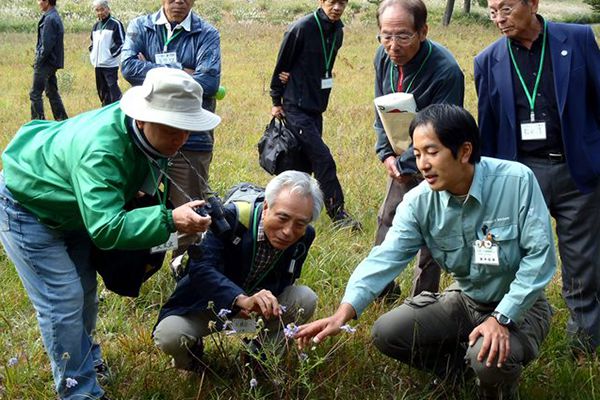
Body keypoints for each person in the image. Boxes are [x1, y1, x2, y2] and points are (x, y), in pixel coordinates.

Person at [296, 105, 556, 400]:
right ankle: (462, 375)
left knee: (487, 359)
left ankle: (496, 383)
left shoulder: (516, 181)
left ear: (465, 151)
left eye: (431, 152)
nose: (422, 164)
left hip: (521, 306)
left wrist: (501, 318)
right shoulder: (419, 202)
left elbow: (541, 259)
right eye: (417, 154)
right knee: (387, 332)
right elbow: (385, 258)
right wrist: (341, 314)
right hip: (466, 298)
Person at [0, 68, 219, 400]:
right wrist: (169, 220)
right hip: (27, 205)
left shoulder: (145, 136)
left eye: (187, 129)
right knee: (63, 298)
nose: (181, 139)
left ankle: (84, 362)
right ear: (143, 119)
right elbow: (105, 228)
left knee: (85, 293)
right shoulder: (102, 150)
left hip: (72, 208)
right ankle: (79, 391)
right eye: (172, 129)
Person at [474, 0, 600, 358]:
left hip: (578, 171)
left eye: (506, 8)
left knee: (582, 263)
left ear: (533, 3)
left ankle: (584, 347)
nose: (499, 18)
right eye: (493, 10)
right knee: (513, 255)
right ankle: (514, 333)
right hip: (523, 176)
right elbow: (490, 128)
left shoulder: (577, 40)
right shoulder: (488, 60)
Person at [153, 171, 323, 371]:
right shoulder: (229, 218)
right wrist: (239, 300)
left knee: (305, 299)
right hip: (208, 305)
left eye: (300, 223)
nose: (288, 231)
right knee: (170, 335)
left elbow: (287, 278)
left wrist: (260, 303)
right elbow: (201, 268)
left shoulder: (304, 237)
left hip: (254, 311)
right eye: (282, 217)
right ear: (267, 207)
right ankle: (191, 359)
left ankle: (259, 357)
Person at [372, 0, 464, 297]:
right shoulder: (383, 57)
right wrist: (386, 153)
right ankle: (380, 287)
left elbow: (442, 128)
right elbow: (380, 108)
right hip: (399, 158)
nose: (393, 45)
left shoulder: (446, 70)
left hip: (436, 162)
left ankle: (422, 299)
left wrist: (409, 163)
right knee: (388, 218)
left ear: (423, 31)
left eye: (402, 36)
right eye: (385, 35)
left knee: (430, 229)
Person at [121, 0, 221, 221]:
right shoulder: (140, 26)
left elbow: (209, 82)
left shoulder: (207, 33)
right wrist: (183, 71)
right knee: (137, 207)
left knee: (190, 214)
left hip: (190, 141)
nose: (179, 1)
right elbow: (128, 67)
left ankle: (184, 257)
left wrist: (150, 68)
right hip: (145, 138)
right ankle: (145, 256)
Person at [269, 0, 360, 230]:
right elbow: (282, 64)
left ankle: (291, 209)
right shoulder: (302, 27)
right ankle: (338, 215)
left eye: (342, 2)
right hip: (295, 106)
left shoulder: (338, 31)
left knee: (302, 162)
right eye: (332, 2)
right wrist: (276, 100)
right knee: (323, 158)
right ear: (321, 2)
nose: (337, 7)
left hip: (316, 106)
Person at [30, 0, 68, 121]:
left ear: (47, 2)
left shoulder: (50, 19)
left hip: (46, 62)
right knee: (51, 92)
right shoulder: (53, 16)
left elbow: (46, 45)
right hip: (52, 62)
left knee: (35, 94)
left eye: (40, 0)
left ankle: (37, 123)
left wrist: (38, 60)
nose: (38, 3)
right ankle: (62, 120)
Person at [89, 0, 125, 106]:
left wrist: (110, 55)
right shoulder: (96, 26)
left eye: (102, 9)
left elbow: (122, 43)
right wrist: (92, 54)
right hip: (97, 65)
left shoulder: (115, 24)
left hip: (110, 65)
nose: (100, 12)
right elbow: (92, 43)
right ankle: (105, 113)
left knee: (113, 91)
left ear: (108, 9)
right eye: (97, 10)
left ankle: (120, 110)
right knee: (102, 92)